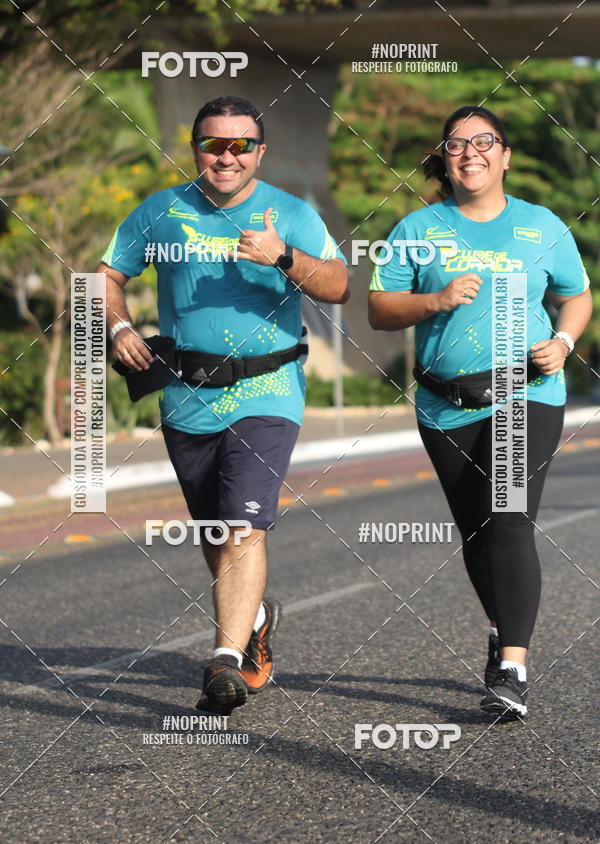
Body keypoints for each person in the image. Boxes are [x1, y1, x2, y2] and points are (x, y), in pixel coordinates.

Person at [97, 95, 349, 712]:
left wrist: (282, 257)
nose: (228, 156)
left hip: (268, 391)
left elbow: (341, 285)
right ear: (196, 150)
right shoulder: (160, 212)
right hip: (186, 395)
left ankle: (226, 660)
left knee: (242, 524)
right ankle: (255, 618)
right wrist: (118, 329)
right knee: (216, 527)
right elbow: (103, 276)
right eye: (215, 144)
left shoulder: (290, 213)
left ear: (260, 152)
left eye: (241, 145)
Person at [368, 105, 592, 718]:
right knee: (476, 530)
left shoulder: (542, 225)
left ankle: (513, 667)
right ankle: (501, 625)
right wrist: (434, 299)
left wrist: (565, 343)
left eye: (484, 141)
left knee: (510, 519)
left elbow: (576, 296)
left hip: (526, 393)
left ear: (506, 156)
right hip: (446, 401)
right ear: (445, 157)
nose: (470, 152)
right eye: (457, 144)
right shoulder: (418, 228)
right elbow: (379, 310)